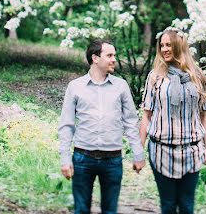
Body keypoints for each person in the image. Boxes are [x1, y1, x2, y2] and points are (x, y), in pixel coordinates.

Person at [58, 38, 146, 214]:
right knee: (81, 210)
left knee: (110, 211)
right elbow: (66, 125)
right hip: (83, 158)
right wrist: (65, 159)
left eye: (114, 55)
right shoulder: (75, 87)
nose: (114, 59)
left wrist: (138, 154)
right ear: (95, 58)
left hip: (112, 160)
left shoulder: (121, 87)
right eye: (110, 55)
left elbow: (130, 122)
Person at [140, 28, 206, 214]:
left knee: (187, 205)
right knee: (168, 205)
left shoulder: (197, 77)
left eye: (169, 45)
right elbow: (146, 116)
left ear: (179, 46)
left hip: (192, 151)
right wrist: (138, 149)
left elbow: (204, 115)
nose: (164, 49)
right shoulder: (155, 77)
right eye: (162, 45)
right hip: (161, 151)